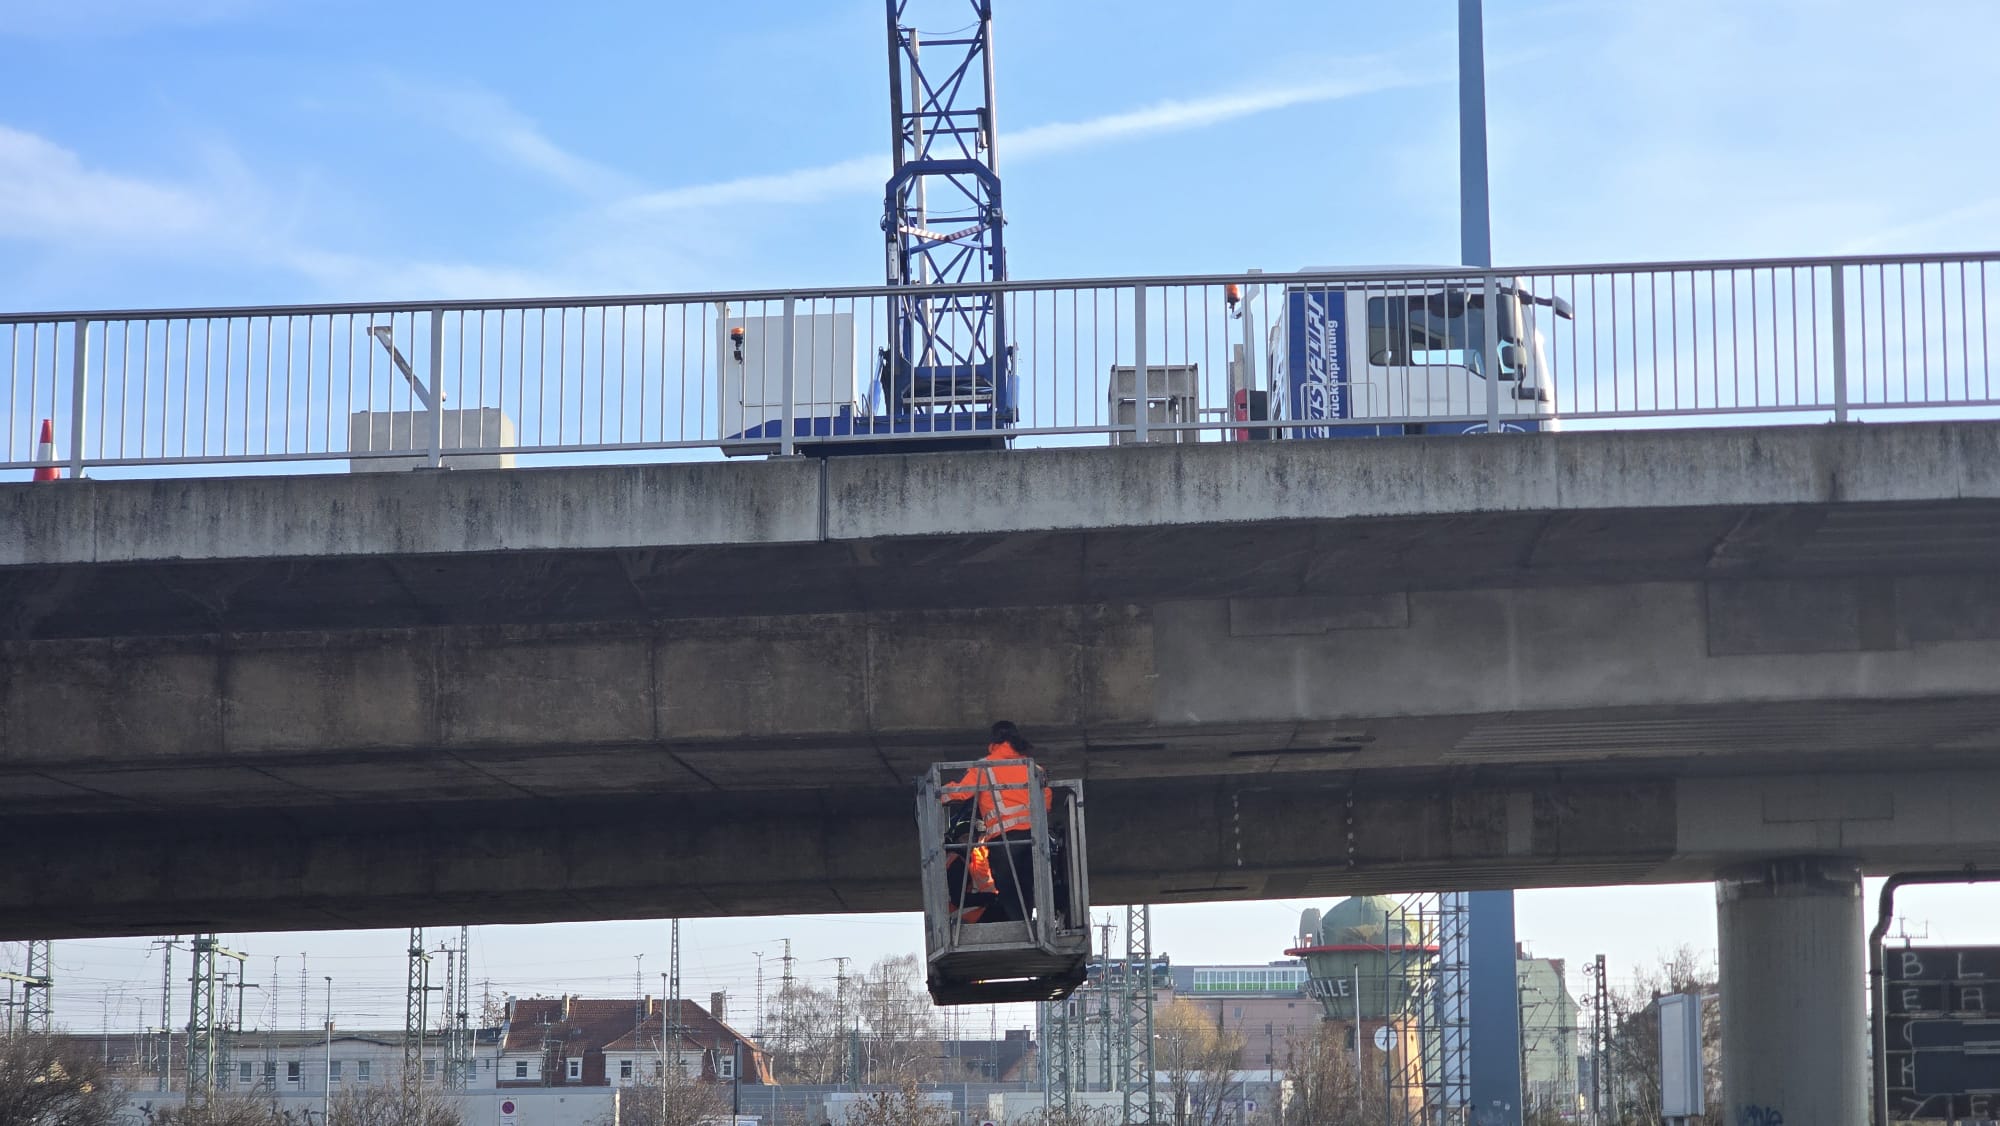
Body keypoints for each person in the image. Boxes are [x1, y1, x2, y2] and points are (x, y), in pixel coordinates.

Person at [940, 720, 1052, 924]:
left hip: (1004, 838)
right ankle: (1026, 923)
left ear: (993, 741)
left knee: (1007, 885)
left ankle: (1019, 925)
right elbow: (1046, 800)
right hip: (1033, 837)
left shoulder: (986, 767)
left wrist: (938, 795)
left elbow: (961, 791)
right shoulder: (1033, 768)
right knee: (1026, 884)